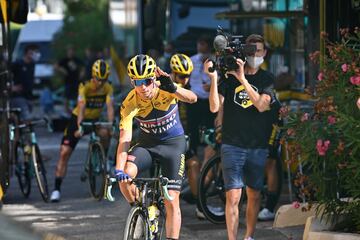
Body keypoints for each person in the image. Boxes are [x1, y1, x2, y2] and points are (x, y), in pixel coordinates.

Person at [116, 54, 197, 240]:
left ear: (154, 78)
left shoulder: (166, 88)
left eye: (147, 80)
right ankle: (141, 210)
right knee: (125, 178)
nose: (143, 87)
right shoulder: (130, 102)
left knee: (171, 198)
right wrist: (119, 168)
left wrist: (174, 88)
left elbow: (192, 98)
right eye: (138, 82)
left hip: (173, 145)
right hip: (147, 145)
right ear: (131, 82)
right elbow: (124, 139)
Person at [205, 34, 276, 240]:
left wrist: (243, 78)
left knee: (254, 194)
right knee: (233, 195)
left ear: (265, 53)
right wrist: (213, 79)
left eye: (258, 50)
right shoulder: (228, 77)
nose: (254, 54)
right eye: (250, 50)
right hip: (232, 144)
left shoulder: (267, 78)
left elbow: (262, 105)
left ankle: (249, 236)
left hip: (257, 145)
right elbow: (214, 107)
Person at [50, 59, 114, 202]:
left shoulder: (108, 87)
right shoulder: (84, 86)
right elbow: (82, 106)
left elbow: (109, 107)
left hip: (95, 118)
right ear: (93, 76)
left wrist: (110, 124)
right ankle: (56, 189)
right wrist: (80, 126)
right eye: (98, 79)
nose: (100, 83)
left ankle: (105, 160)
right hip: (78, 118)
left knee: (105, 133)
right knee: (64, 152)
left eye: (104, 80)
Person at [187, 35, 217, 178]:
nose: (201, 47)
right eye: (199, 43)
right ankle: (192, 156)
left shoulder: (215, 61)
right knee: (192, 128)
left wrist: (212, 85)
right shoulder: (192, 60)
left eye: (203, 44)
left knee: (210, 129)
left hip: (209, 101)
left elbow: (220, 79)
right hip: (194, 100)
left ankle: (208, 156)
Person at [11, 44, 39, 120]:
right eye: (32, 52)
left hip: (29, 95)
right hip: (19, 95)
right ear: (27, 53)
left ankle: (20, 130)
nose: (34, 54)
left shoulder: (32, 64)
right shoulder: (17, 64)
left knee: (22, 119)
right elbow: (6, 74)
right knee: (26, 116)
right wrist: (11, 87)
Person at [55, 45, 84, 115]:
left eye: (72, 51)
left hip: (76, 80)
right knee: (66, 96)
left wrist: (82, 73)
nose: (71, 52)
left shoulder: (76, 59)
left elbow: (83, 66)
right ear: (67, 52)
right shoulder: (64, 60)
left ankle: (79, 109)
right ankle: (67, 110)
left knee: (78, 95)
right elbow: (56, 66)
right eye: (70, 51)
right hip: (68, 81)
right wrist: (62, 70)